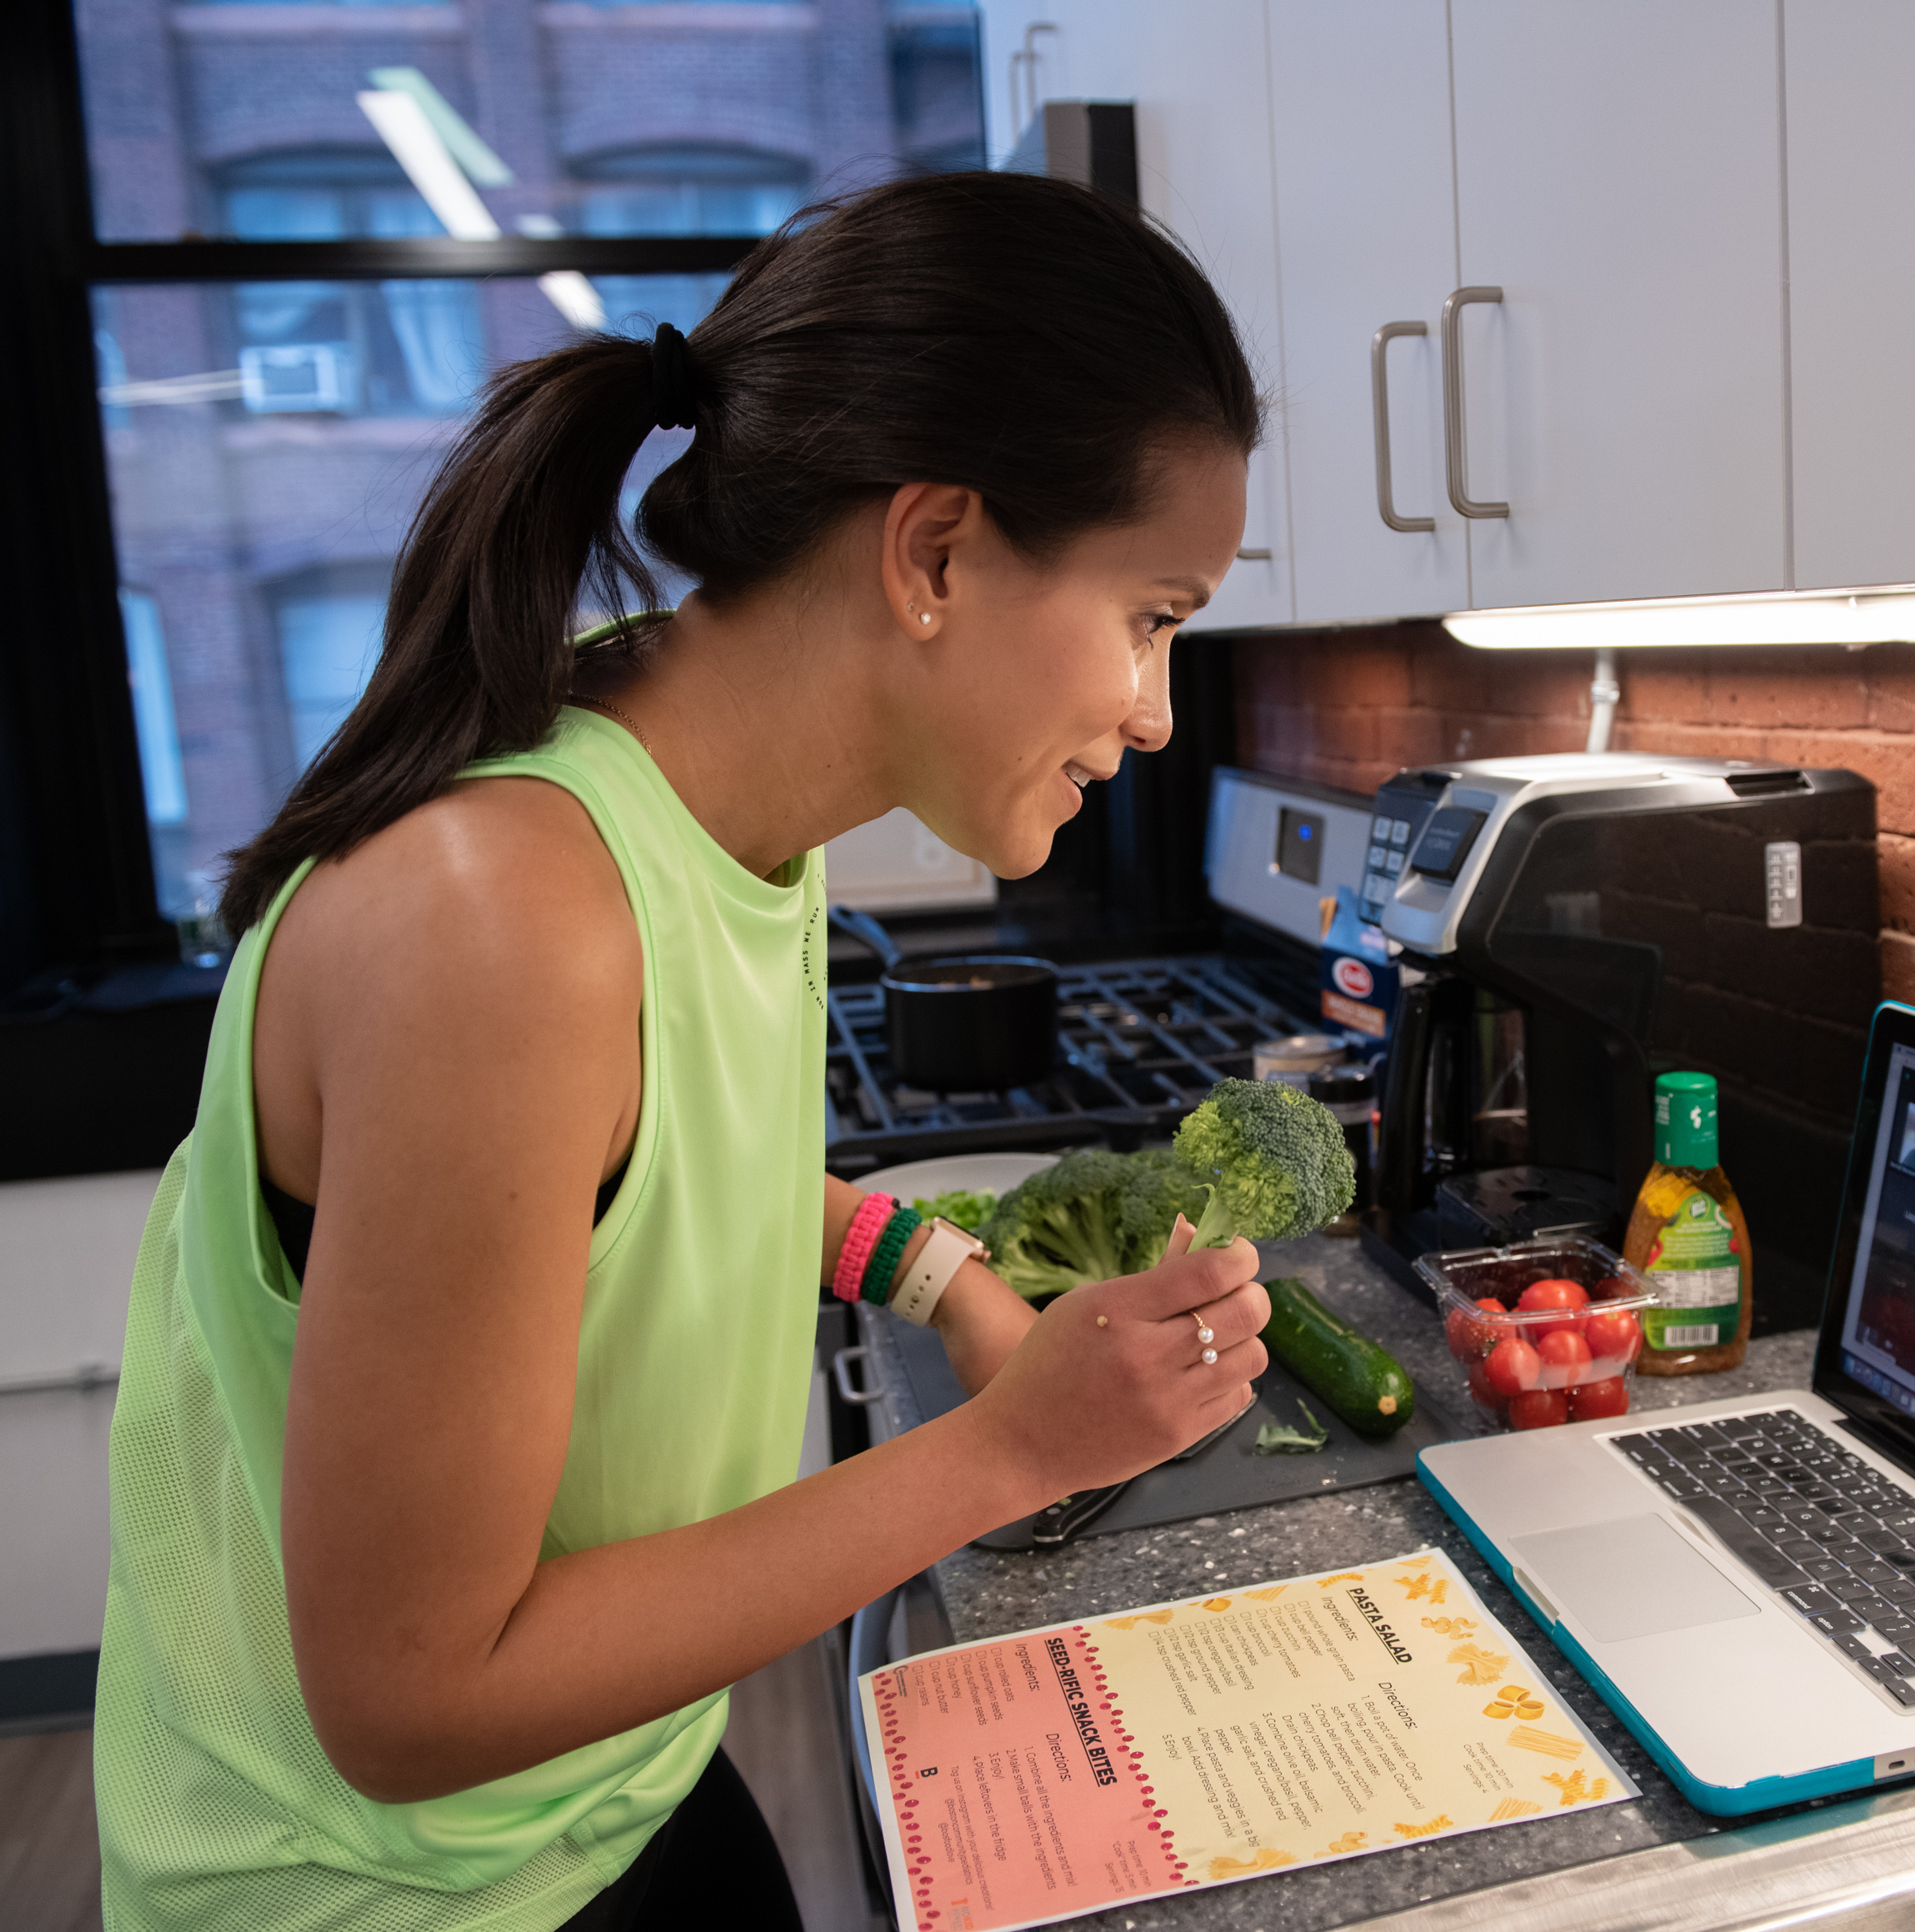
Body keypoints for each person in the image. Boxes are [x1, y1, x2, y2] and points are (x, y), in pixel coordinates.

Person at [95, 173, 1270, 1930]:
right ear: (936, 551)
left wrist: (936, 1266)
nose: (1155, 709)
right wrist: (1011, 1448)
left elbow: (641, 1173)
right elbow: (409, 1700)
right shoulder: (502, 923)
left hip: (608, 1775)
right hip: (387, 1889)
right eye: (1152, 614)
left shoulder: (719, 798)